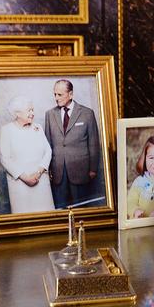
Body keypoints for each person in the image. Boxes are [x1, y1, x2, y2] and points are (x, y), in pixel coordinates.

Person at [44, 79, 102, 209]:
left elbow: (93, 143)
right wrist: (49, 170)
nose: (56, 98)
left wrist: (93, 169)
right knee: (60, 209)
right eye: (55, 94)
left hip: (81, 171)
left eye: (60, 95)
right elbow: (47, 145)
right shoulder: (50, 115)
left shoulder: (87, 113)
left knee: (80, 208)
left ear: (70, 94)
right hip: (58, 172)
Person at [0, 95, 54, 214]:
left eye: (32, 110)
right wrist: (26, 178)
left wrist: (38, 173)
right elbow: (5, 159)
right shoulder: (7, 130)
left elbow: (48, 151)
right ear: (17, 113)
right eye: (29, 110)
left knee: (47, 218)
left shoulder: (37, 127)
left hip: (41, 182)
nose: (32, 113)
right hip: (20, 185)